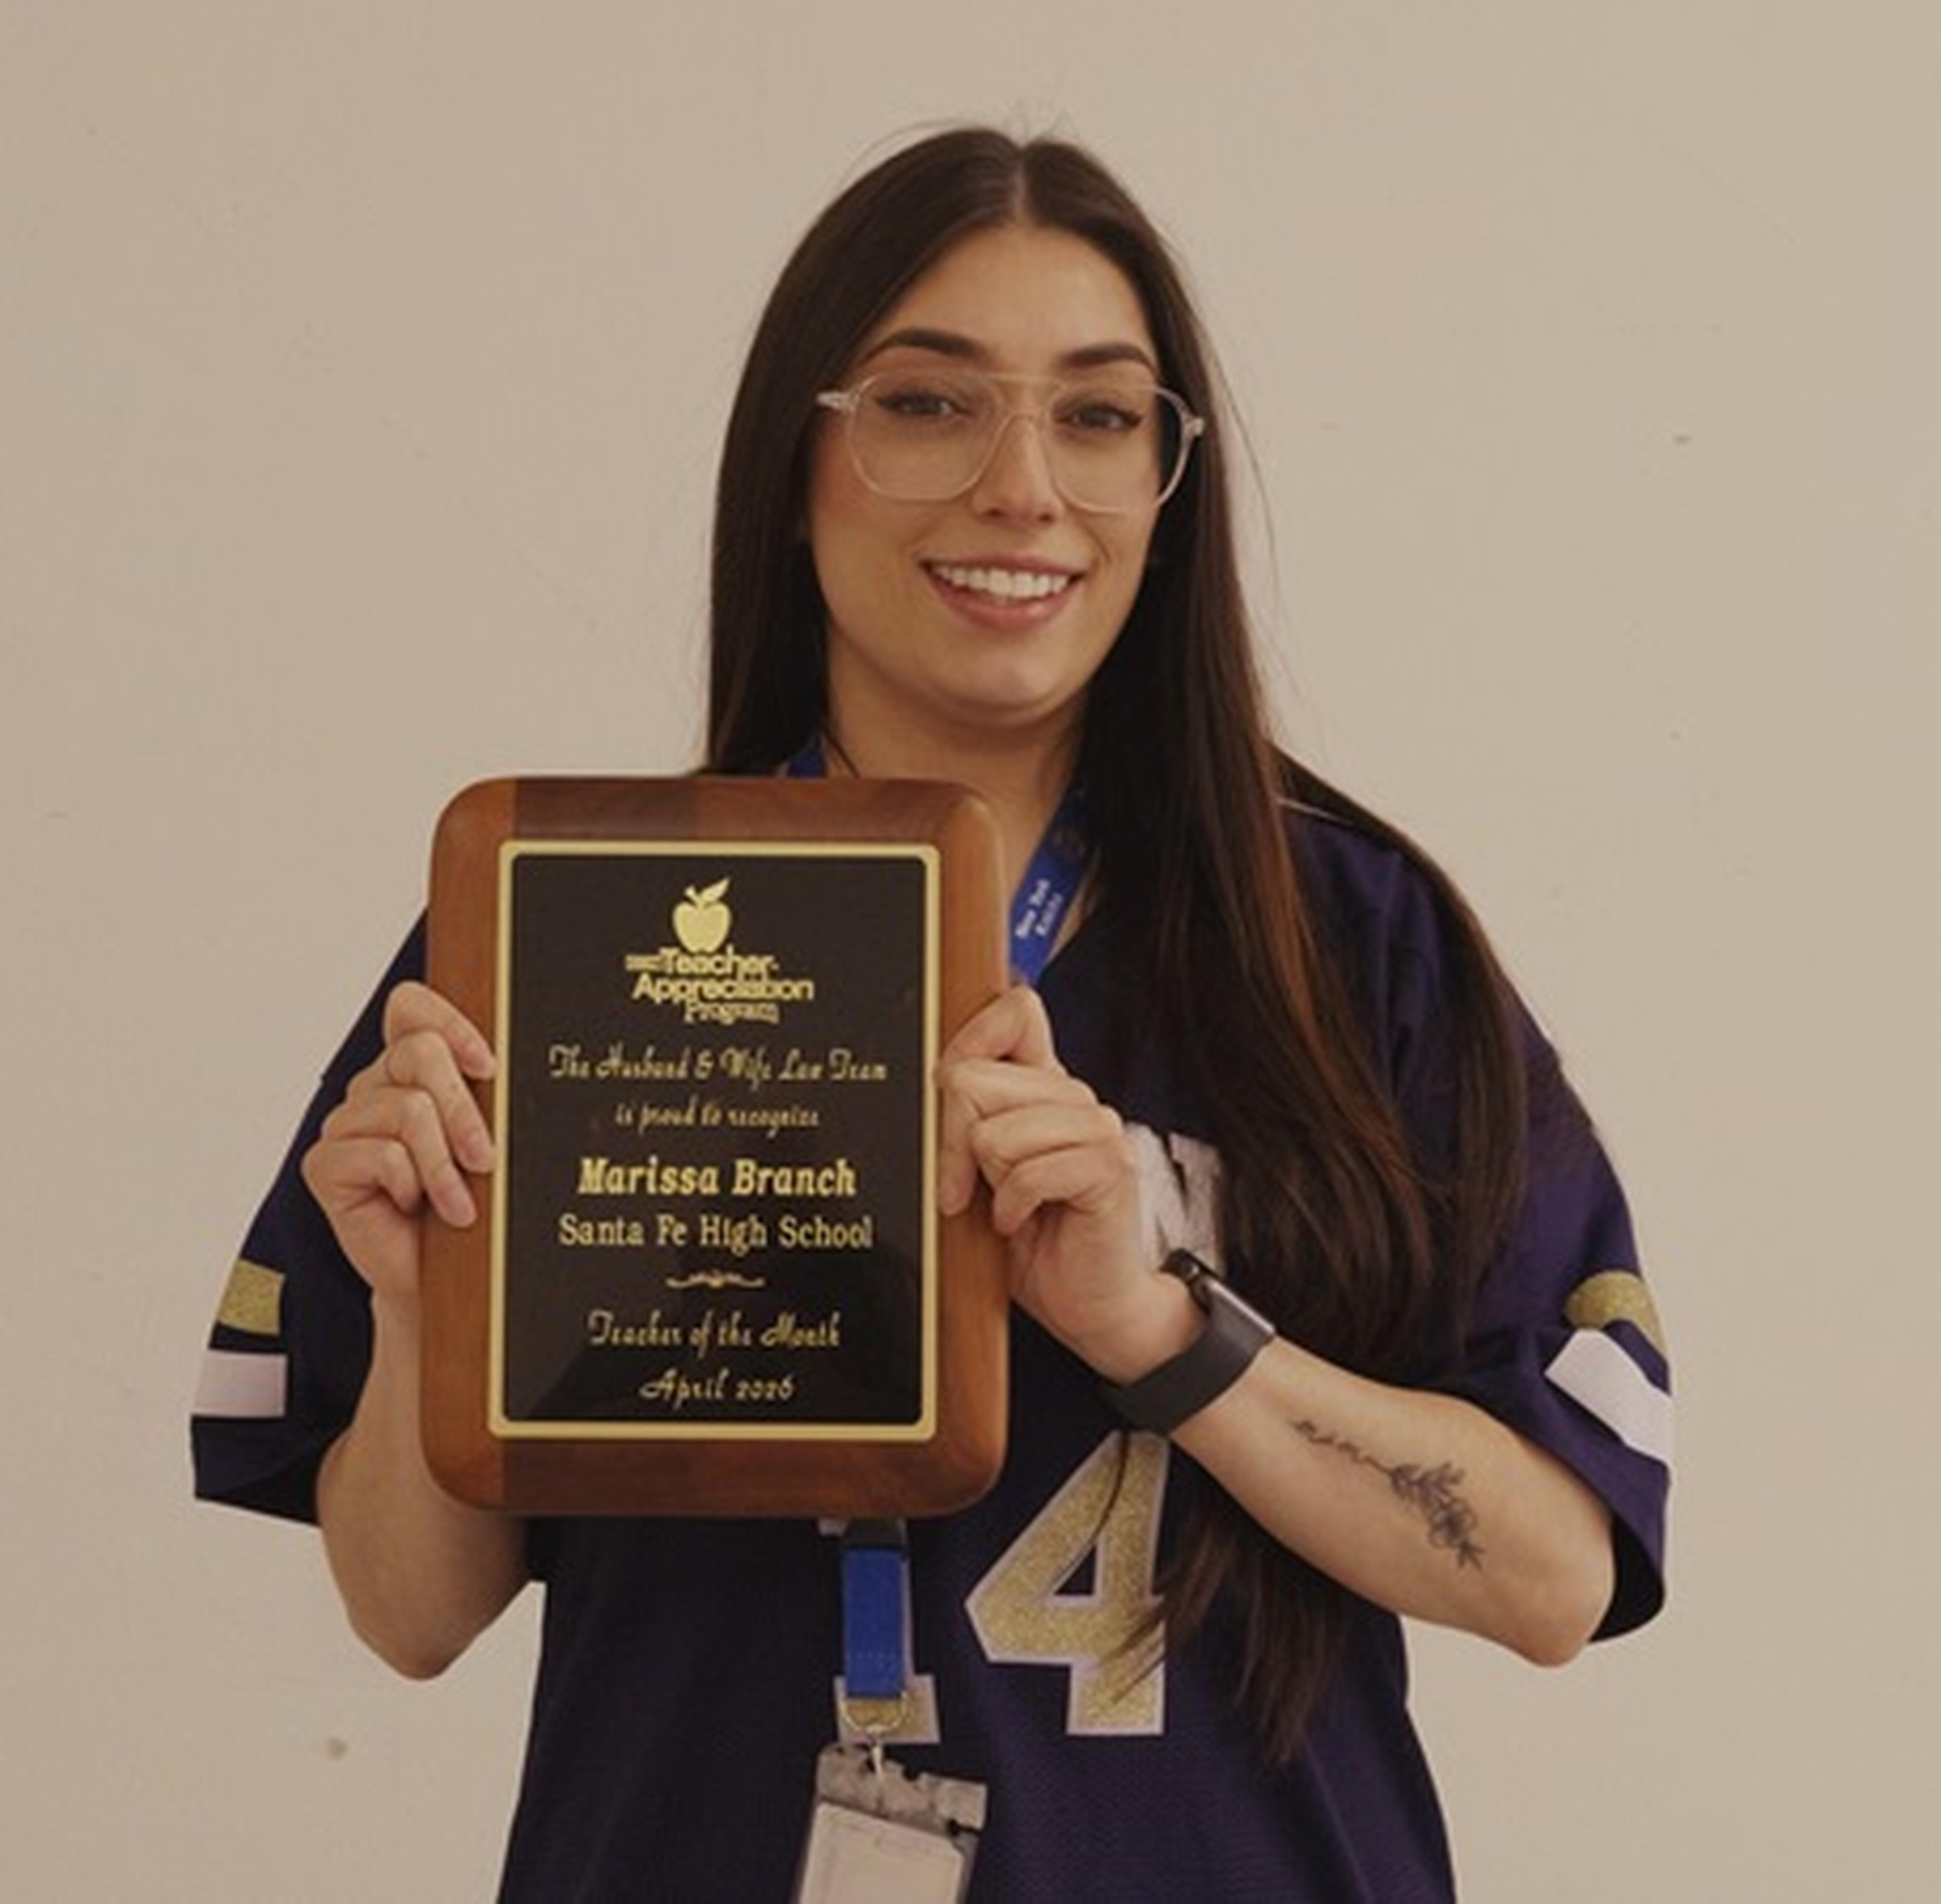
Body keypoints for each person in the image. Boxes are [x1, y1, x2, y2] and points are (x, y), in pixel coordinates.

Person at [192, 126, 1670, 1901]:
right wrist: (426, 1305)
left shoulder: (1352, 945)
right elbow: (408, 1616)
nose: (1022, 488)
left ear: (1167, 486)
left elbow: (1556, 1576)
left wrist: (1160, 1328)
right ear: (796, 461)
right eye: (928, 404)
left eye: (1099, 415)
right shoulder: (561, 923)